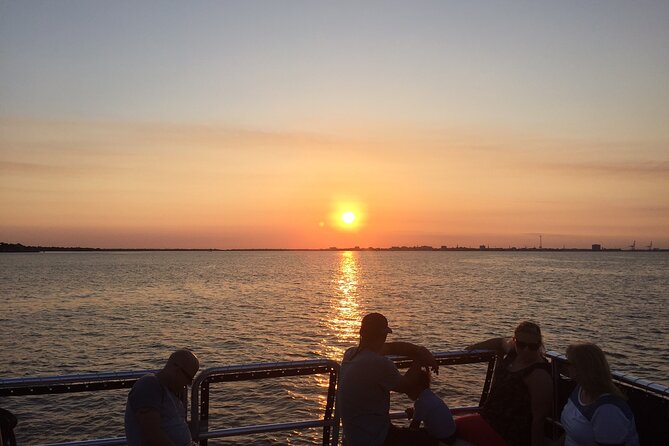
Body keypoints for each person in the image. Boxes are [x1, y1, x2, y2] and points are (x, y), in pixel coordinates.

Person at [338, 312, 440, 446]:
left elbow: (391, 348)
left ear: (362, 333)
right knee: (433, 440)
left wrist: (418, 349)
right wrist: (419, 360)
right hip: (375, 438)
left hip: (353, 437)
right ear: (383, 336)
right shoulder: (379, 363)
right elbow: (407, 386)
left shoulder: (350, 354)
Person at [456, 321, 553, 446]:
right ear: (515, 341)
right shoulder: (513, 353)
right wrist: (473, 347)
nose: (526, 350)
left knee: (447, 430)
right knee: (444, 429)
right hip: (489, 419)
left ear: (539, 345)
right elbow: (500, 342)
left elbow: (538, 421)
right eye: (521, 344)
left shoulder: (539, 374)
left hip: (507, 432)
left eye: (532, 346)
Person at [558, 342, 639, 446]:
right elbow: (571, 432)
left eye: (568, 363)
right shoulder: (581, 388)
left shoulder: (608, 409)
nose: (564, 365)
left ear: (582, 368)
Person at [124, 349, 200, 446]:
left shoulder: (171, 393)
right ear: (176, 369)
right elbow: (152, 435)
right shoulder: (149, 385)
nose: (188, 384)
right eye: (189, 379)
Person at [404, 363, 457, 445]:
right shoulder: (430, 396)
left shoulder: (421, 402)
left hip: (443, 439)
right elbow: (428, 411)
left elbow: (413, 428)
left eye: (408, 388)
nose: (406, 392)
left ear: (418, 387)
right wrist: (415, 413)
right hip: (452, 435)